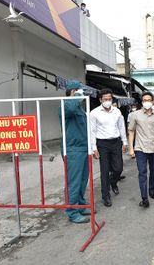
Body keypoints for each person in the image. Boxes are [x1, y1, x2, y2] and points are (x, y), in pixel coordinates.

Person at [128, 92, 154, 208]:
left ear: (152, 101)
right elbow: (131, 131)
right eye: (144, 100)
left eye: (149, 100)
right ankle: (144, 198)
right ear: (142, 101)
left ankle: (152, 190)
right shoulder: (135, 115)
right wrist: (131, 148)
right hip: (140, 148)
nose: (147, 102)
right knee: (142, 173)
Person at [90, 89, 128, 207]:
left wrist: (124, 142)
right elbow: (92, 131)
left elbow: (121, 127)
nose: (108, 101)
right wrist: (94, 148)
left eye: (109, 99)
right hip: (102, 144)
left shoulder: (117, 112)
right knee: (105, 170)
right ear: (100, 100)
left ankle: (113, 182)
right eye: (105, 99)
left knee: (118, 168)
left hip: (116, 143)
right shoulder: (94, 113)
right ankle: (105, 196)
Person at [59, 80, 90, 224]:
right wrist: (76, 96)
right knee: (74, 182)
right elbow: (70, 109)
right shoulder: (66, 104)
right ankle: (72, 211)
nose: (82, 95)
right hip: (73, 149)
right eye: (79, 91)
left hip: (83, 147)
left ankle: (81, 205)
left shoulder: (79, 108)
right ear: (73, 91)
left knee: (83, 180)